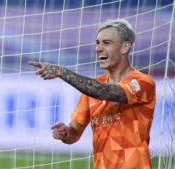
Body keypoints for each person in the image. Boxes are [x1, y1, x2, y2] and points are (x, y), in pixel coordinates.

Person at [29, 19, 156, 169]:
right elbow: (74, 134)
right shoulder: (91, 88)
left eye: (106, 43)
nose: (98, 49)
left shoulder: (143, 82)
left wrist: (62, 72)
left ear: (125, 47)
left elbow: (105, 91)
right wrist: (65, 133)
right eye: (98, 43)